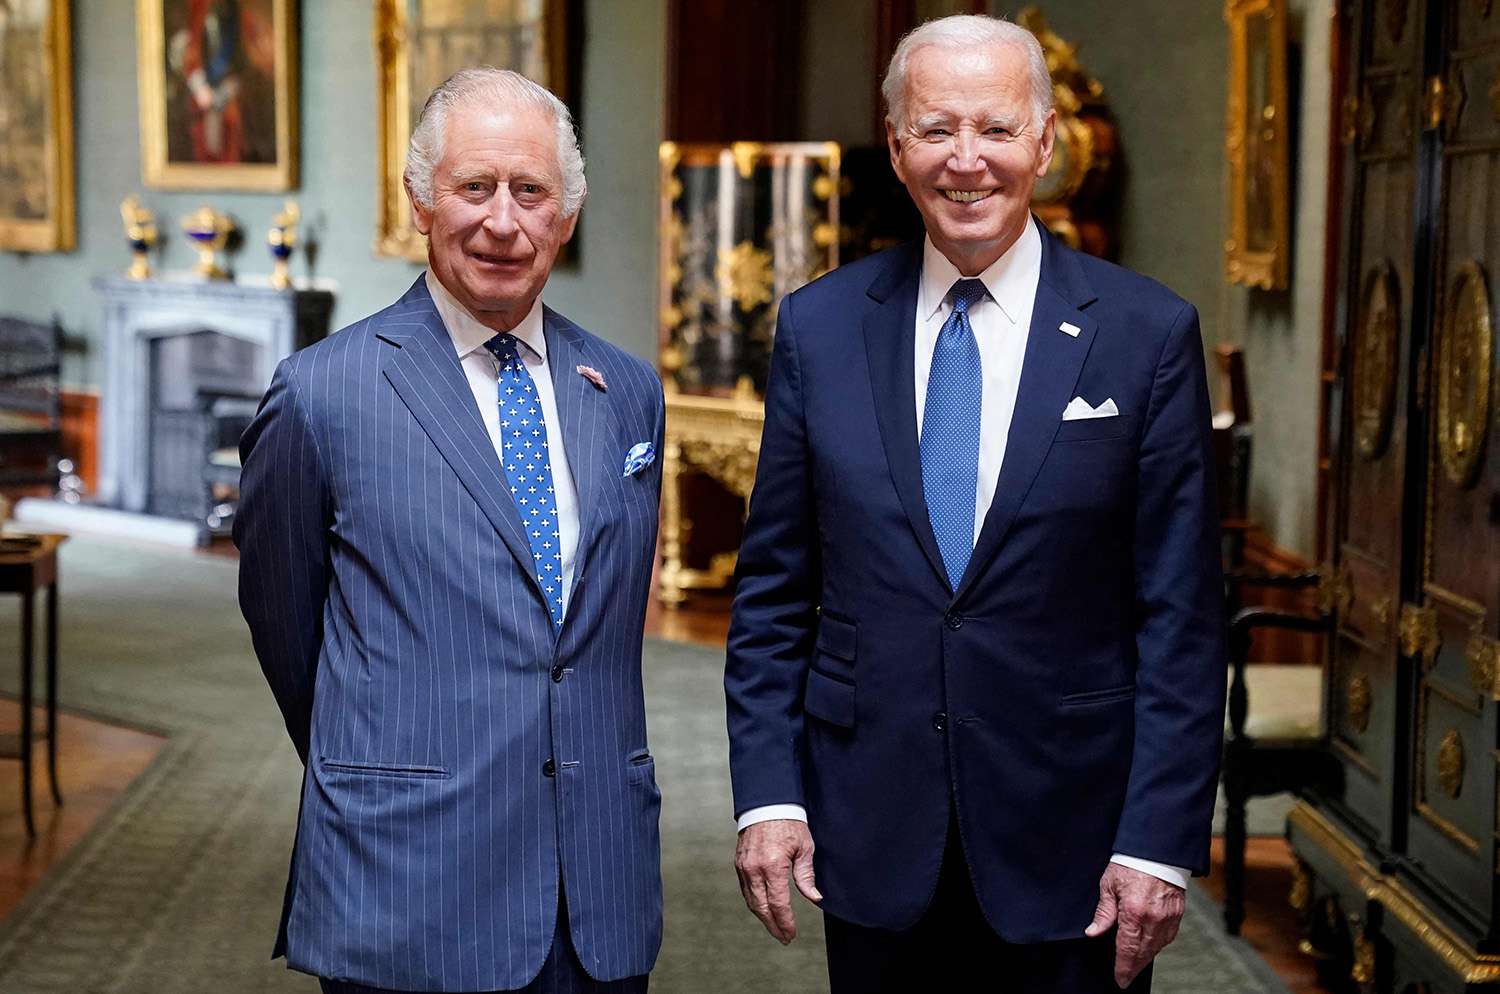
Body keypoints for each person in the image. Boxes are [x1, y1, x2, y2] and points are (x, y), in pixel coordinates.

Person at [724, 14, 1225, 993]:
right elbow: (775, 590)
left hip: (1073, 839)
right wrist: (769, 796)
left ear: (1043, 142)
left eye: (995, 129)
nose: (967, 161)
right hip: (870, 829)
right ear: (897, 144)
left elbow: (1181, 615)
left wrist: (1159, 840)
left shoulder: (1146, 335)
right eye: (936, 129)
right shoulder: (819, 328)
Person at [235, 67, 665, 994]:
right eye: (474, 188)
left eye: (531, 191)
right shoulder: (322, 394)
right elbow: (286, 624)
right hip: (407, 884)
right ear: (420, 202)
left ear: (568, 214)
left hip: (597, 889)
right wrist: (389, 758)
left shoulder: (627, 392)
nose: (502, 222)